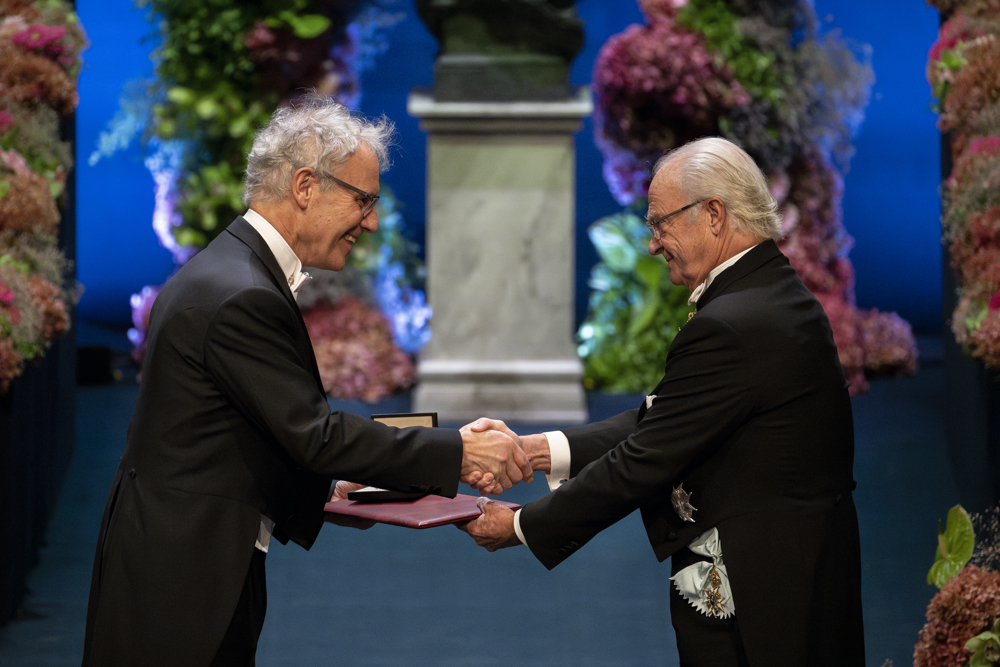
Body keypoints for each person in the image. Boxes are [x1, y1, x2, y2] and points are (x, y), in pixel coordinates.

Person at [82, 94, 531, 667]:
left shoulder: (231, 270)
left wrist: (327, 489)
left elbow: (237, 431)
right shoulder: (241, 293)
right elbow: (314, 435)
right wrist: (459, 450)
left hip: (183, 554)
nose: (370, 222)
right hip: (184, 573)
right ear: (304, 186)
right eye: (363, 200)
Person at [460, 137, 865, 666]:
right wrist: (536, 451)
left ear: (713, 215)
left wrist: (521, 525)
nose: (652, 243)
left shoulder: (734, 323)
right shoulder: (769, 292)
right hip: (798, 571)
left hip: (763, 594)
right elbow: (668, 418)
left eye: (661, 223)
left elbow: (645, 458)